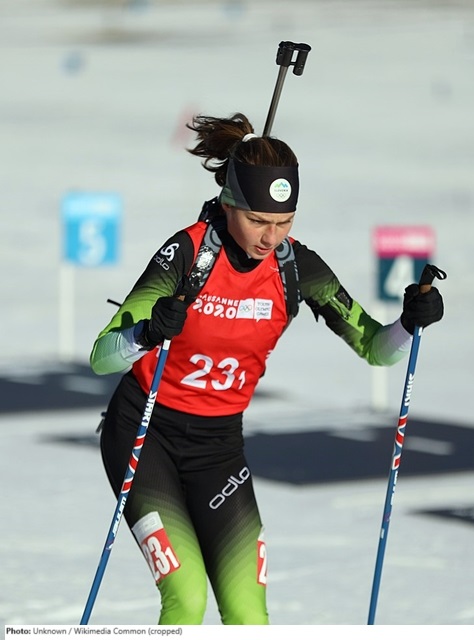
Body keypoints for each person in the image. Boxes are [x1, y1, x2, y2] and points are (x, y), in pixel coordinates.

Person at [90, 112, 444, 625]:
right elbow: (102, 355)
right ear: (229, 203)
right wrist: (146, 332)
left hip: (219, 447)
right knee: (187, 596)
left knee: (248, 614)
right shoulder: (187, 254)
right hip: (146, 436)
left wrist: (409, 324)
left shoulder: (296, 267)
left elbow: (376, 349)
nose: (270, 237)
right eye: (258, 220)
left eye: (284, 222)